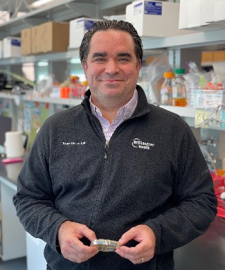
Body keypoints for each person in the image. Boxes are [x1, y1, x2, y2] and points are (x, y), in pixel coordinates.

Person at [13, 20, 217, 270]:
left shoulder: (173, 131)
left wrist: (158, 233)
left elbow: (201, 202)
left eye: (123, 58)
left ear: (138, 65)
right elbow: (28, 198)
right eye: (100, 58)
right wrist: (58, 230)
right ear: (85, 66)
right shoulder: (55, 129)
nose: (111, 69)